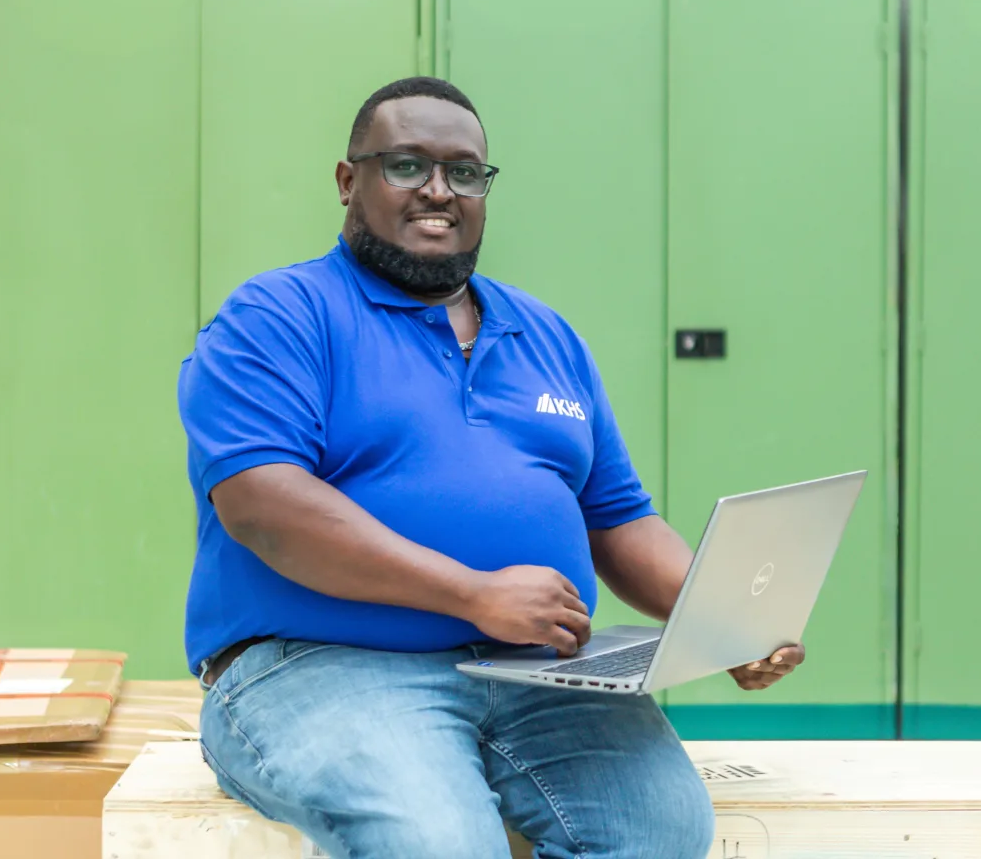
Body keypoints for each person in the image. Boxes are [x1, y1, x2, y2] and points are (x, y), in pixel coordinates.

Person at [175, 76, 807, 858]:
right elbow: (263, 506)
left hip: (539, 678)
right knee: (438, 841)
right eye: (407, 165)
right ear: (349, 181)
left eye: (464, 172)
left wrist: (720, 621)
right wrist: (472, 595)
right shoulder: (278, 317)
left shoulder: (544, 335)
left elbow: (617, 516)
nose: (439, 191)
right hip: (322, 666)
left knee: (658, 830)